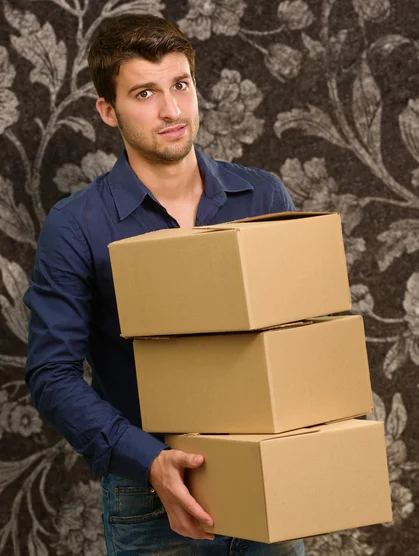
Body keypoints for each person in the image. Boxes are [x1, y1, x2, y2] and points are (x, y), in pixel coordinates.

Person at [23, 14, 305, 556]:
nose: (172, 110)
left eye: (180, 85)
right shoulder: (77, 224)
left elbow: (298, 334)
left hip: (267, 474)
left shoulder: (264, 197)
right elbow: (51, 374)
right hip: (150, 495)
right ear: (108, 110)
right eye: (145, 93)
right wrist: (149, 460)